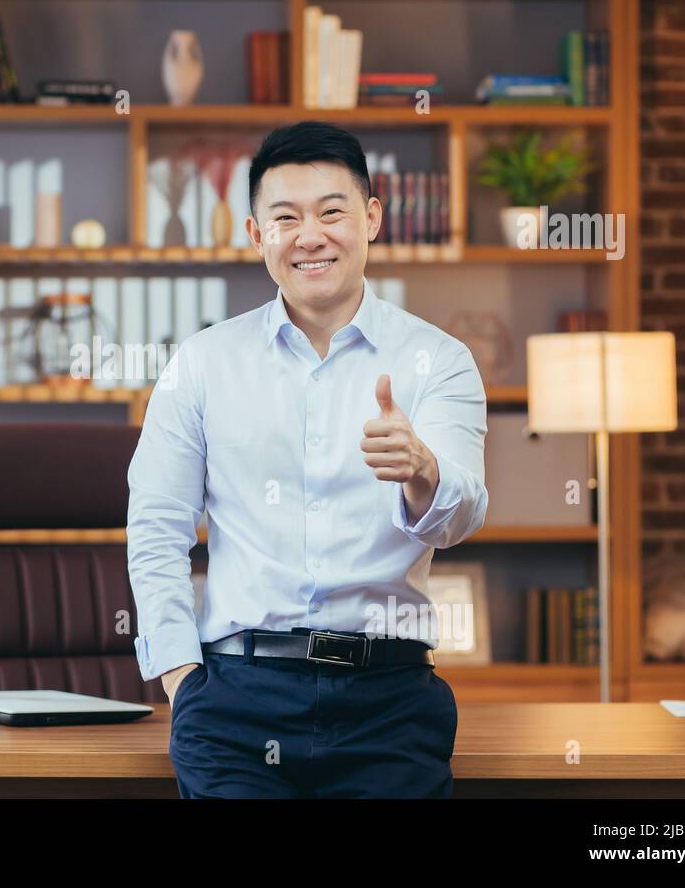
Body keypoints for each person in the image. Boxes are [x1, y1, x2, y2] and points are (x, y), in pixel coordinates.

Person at [126, 120, 489, 798]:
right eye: (285, 217)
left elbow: (458, 517)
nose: (309, 236)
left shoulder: (438, 361)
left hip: (390, 702)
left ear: (373, 218)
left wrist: (423, 469)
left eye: (332, 212)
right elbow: (156, 529)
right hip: (236, 700)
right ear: (255, 231)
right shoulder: (202, 365)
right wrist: (182, 677)